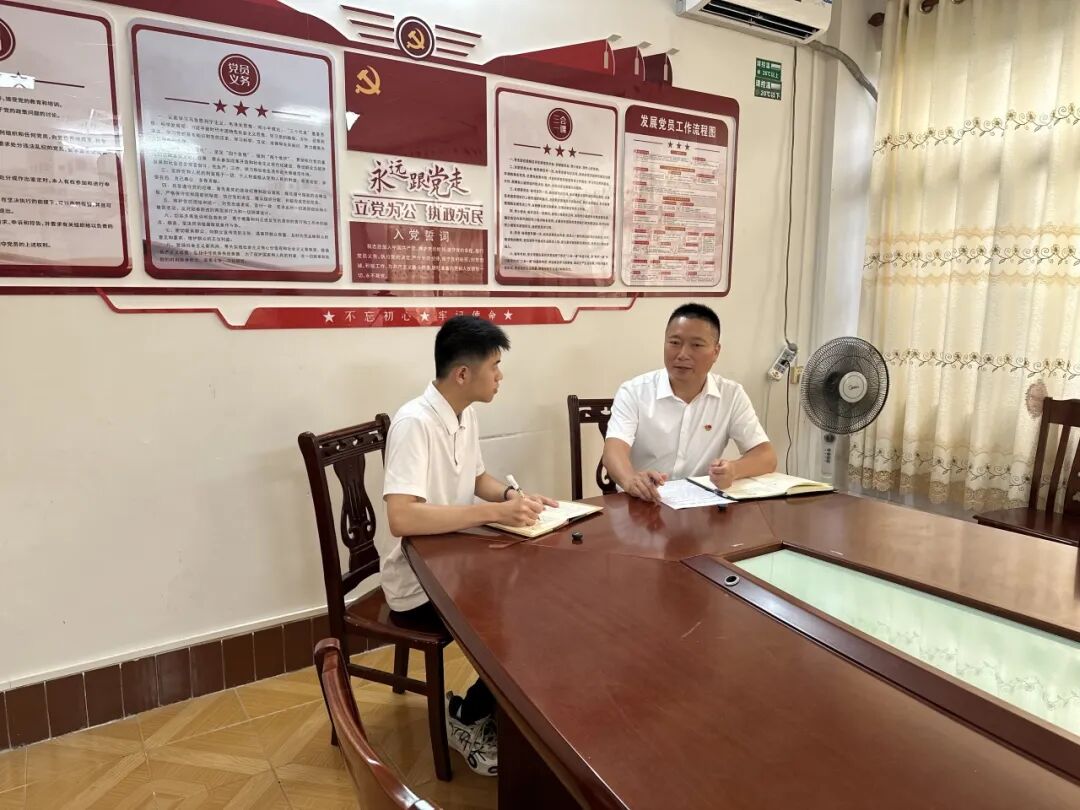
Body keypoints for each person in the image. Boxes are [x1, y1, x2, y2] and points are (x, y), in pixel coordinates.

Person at [382, 315, 556, 776]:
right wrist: (492, 514)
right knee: (518, 617)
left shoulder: (464, 414)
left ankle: (502, 713)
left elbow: (477, 477)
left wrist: (512, 496)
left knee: (538, 599)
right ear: (463, 374)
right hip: (419, 582)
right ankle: (467, 715)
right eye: (494, 366)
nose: (500, 376)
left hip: (455, 564)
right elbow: (402, 517)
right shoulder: (414, 424)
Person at [602, 303, 777, 501]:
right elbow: (613, 451)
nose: (682, 354)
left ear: (716, 352)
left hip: (702, 505)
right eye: (674, 342)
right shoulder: (634, 391)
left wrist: (733, 470)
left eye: (696, 345)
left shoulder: (731, 395)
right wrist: (631, 480)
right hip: (643, 503)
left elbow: (766, 456)